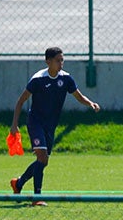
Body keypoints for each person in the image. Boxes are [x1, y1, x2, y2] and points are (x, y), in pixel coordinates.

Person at [9, 47, 100, 205]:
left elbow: (78, 96)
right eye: (58, 60)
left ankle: (18, 183)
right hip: (35, 122)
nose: (61, 63)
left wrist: (90, 103)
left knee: (43, 161)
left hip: (50, 126)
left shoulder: (66, 79)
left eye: (62, 60)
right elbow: (20, 101)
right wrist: (14, 124)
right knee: (42, 157)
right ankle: (37, 197)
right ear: (48, 61)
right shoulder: (38, 79)